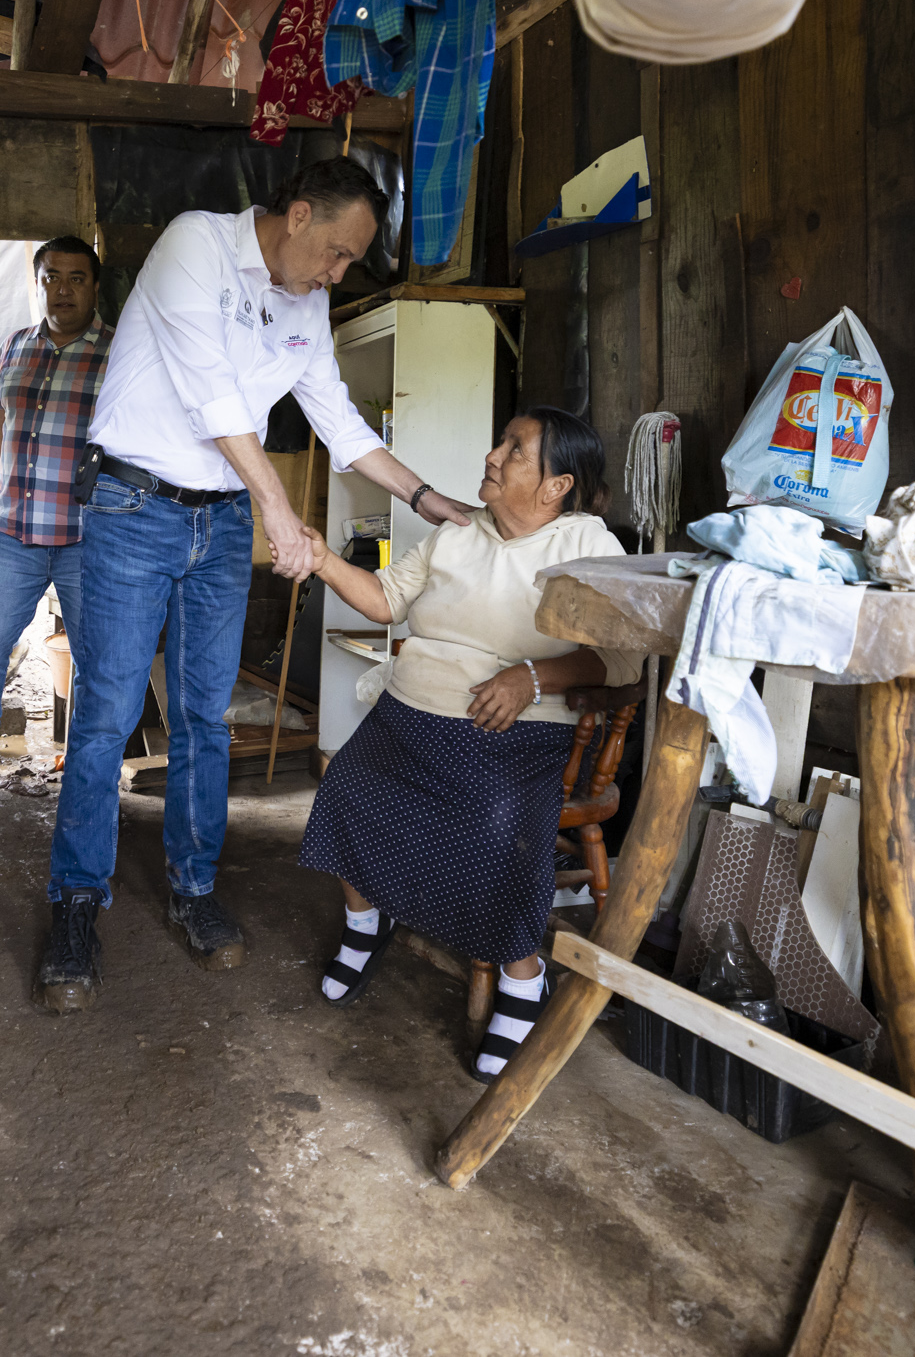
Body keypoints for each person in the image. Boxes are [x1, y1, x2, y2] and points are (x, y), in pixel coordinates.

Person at [38, 157, 477, 1014]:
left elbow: (338, 420)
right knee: (108, 710)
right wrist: (276, 506)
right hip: (133, 505)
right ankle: (74, 904)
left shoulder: (307, 308)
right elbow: (215, 402)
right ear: (300, 214)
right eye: (339, 253)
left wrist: (430, 499)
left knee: (206, 710)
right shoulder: (193, 247)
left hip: (220, 517)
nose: (339, 274)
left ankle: (194, 887)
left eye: (351, 264)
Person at [293, 407, 635, 1082]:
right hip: (409, 715)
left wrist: (533, 675)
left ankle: (522, 974)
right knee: (345, 790)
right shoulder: (458, 532)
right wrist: (323, 558)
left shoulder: (586, 548)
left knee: (498, 828)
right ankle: (367, 926)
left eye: (514, 450)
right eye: (501, 441)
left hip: (513, 730)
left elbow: (619, 663)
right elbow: (387, 600)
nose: (493, 454)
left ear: (554, 486)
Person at [0, 238, 112, 800]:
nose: (62, 289)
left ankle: (87, 766)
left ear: (94, 285)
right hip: (14, 529)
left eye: (76, 278)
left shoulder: (119, 352)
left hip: (89, 535)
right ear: (38, 282)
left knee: (95, 657)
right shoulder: (14, 345)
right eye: (51, 277)